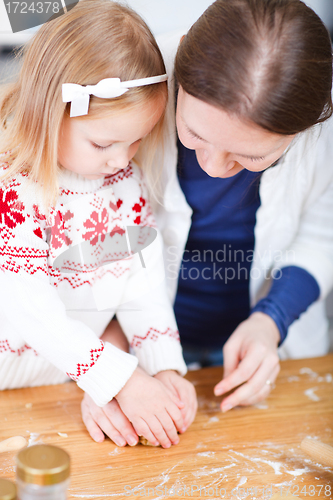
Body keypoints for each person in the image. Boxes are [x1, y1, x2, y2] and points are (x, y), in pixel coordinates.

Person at [81, 0, 333, 443]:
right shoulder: (124, 93)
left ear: (308, 127)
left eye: (250, 156)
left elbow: (323, 234)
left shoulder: (321, 131)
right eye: (194, 134)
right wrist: (109, 357)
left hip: (271, 350)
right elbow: (88, 245)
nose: (215, 167)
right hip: (128, 341)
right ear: (179, 71)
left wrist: (271, 320)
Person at [0, 0, 197, 449]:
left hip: (75, 370)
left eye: (136, 141)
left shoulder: (122, 177)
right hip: (13, 379)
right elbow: (33, 313)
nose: (120, 159)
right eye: (104, 142)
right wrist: (120, 379)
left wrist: (162, 365)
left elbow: (140, 278)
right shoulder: (15, 188)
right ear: (50, 112)